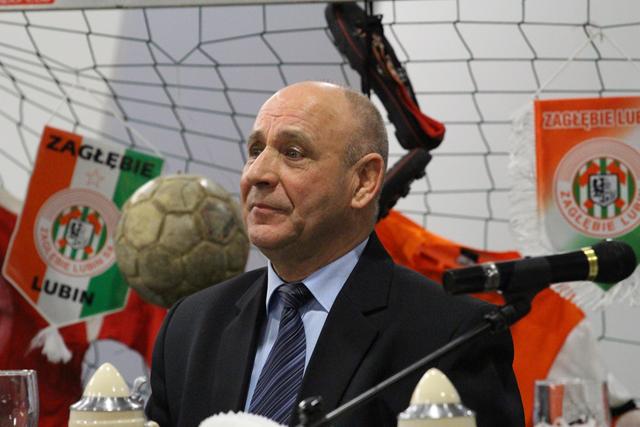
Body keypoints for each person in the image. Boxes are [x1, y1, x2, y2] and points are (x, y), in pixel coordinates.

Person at [145, 81, 524, 427]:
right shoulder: (190, 325)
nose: (257, 174)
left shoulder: (451, 336)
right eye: (255, 150)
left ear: (363, 181)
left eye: (293, 153)